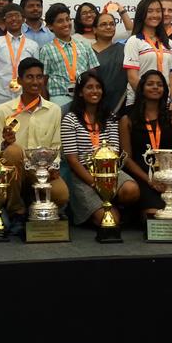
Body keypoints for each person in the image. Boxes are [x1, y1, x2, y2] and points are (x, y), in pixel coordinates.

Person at [0, 57, 69, 231]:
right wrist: (5, 145)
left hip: (41, 170)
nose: (35, 82)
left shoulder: (54, 110)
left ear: (44, 80)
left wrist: (54, 166)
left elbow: (57, 147)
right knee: (13, 151)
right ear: (19, 80)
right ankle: (17, 211)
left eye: (39, 77)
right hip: (15, 170)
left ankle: (38, 205)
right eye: (29, 77)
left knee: (61, 194)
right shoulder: (4, 110)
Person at [61, 71, 139, 227]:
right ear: (81, 93)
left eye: (98, 87)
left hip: (109, 170)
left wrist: (106, 179)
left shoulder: (109, 117)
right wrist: (96, 184)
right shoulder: (70, 119)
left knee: (132, 190)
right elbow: (72, 160)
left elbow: (115, 150)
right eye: (89, 87)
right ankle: (98, 210)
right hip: (83, 175)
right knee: (110, 222)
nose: (94, 91)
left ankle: (113, 203)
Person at [118, 70, 172, 218]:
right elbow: (126, 159)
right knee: (154, 217)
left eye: (159, 85)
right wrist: (151, 181)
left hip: (171, 172)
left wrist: (170, 180)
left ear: (164, 90)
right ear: (141, 88)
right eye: (150, 84)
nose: (155, 87)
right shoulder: (127, 119)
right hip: (142, 174)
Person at [39, 3, 100, 111]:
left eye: (67, 19)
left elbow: (93, 74)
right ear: (50, 26)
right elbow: (43, 81)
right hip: (59, 99)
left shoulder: (84, 45)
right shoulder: (46, 49)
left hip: (83, 98)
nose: (66, 24)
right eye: (60, 21)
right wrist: (45, 105)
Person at [123, 0, 172, 109]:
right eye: (150, 11)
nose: (155, 15)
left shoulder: (168, 42)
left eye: (158, 11)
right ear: (142, 14)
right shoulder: (134, 41)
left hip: (164, 103)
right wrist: (148, 100)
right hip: (139, 103)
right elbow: (132, 77)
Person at [0, 3, 40, 117]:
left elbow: (37, 77)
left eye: (17, 15)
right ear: (4, 20)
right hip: (0, 101)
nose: (13, 19)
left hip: (26, 100)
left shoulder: (33, 45)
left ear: (23, 19)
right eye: (9, 16)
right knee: (1, 134)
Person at [91, 12, 128, 114]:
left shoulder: (124, 50)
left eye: (112, 24)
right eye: (103, 24)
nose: (108, 27)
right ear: (94, 29)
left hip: (121, 106)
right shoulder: (86, 51)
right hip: (92, 106)